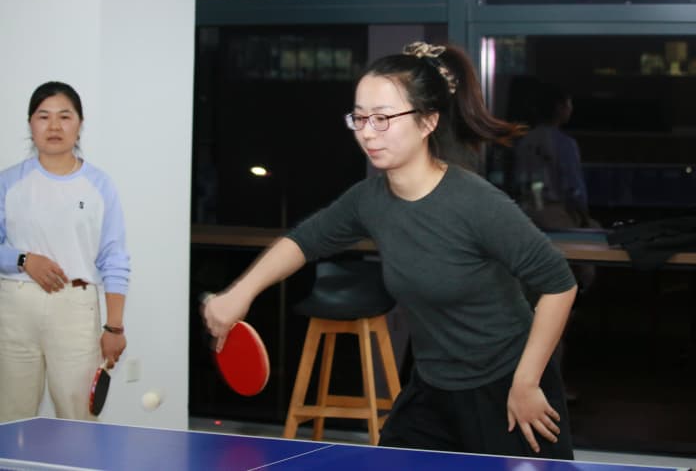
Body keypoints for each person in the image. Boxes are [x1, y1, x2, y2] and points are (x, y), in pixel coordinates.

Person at [203, 42, 577, 459]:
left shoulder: (475, 203)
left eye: (382, 118)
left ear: (427, 121)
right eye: (360, 118)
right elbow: (303, 241)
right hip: (432, 390)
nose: (367, 132)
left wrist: (526, 382)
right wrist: (240, 293)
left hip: (509, 387)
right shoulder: (370, 200)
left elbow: (559, 283)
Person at [0, 81, 130, 422]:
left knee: (78, 419)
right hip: (15, 308)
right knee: (11, 417)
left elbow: (114, 258)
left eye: (65, 116)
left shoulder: (100, 185)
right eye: (44, 116)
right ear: (31, 124)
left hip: (75, 308)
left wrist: (114, 327)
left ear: (80, 124)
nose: (54, 126)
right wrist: (24, 260)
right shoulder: (8, 182)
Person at [513, 82, 591, 231]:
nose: (571, 108)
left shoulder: (525, 141)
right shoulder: (564, 143)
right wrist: (583, 216)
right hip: (554, 213)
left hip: (525, 212)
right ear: (559, 107)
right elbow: (573, 187)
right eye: (569, 104)